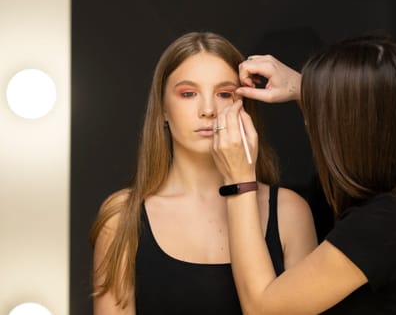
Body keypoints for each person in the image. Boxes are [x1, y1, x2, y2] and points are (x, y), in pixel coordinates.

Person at [211, 35, 396, 314]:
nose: (312, 126)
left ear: (356, 134)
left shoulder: (387, 224)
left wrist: (239, 179)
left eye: (322, 119)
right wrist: (306, 86)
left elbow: (264, 309)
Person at [90, 32, 318, 314]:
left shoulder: (289, 211)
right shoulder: (122, 217)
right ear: (162, 108)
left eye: (224, 94)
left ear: (243, 104)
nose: (208, 110)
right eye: (188, 94)